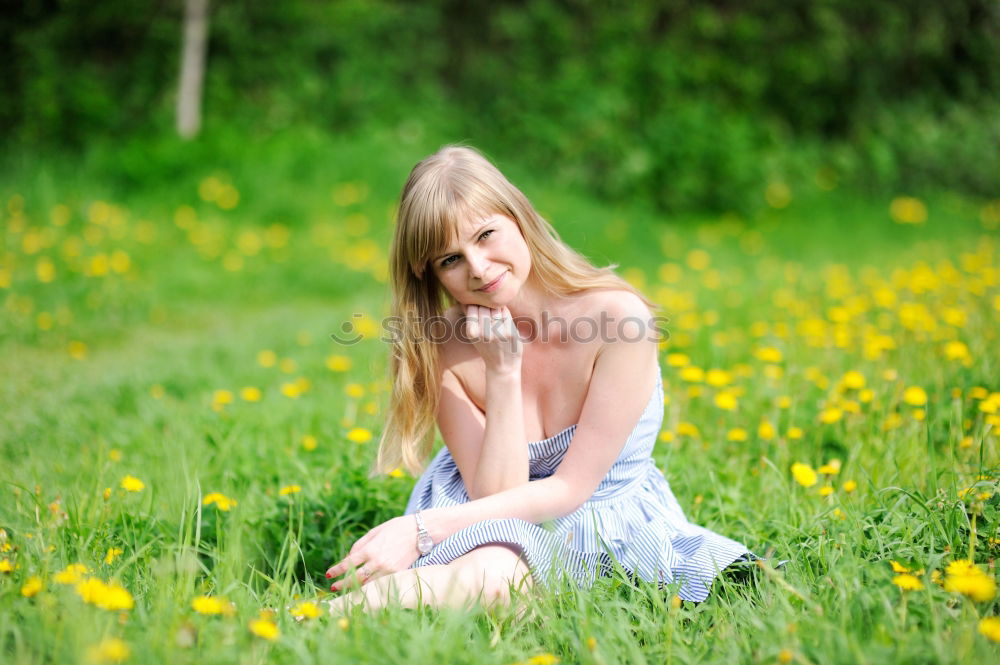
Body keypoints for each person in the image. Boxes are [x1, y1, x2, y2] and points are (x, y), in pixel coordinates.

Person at [323, 145, 751, 612]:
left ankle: (334, 614)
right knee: (492, 576)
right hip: (479, 513)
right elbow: (496, 499)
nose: (479, 269)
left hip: (598, 515)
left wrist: (421, 529)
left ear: (519, 217)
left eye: (486, 235)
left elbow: (569, 490)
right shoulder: (440, 345)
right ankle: (319, 620)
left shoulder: (618, 322)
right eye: (451, 260)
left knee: (493, 582)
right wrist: (502, 372)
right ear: (432, 275)